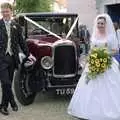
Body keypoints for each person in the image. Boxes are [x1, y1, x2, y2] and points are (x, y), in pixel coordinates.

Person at [67, 13, 120, 120]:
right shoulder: (94, 35)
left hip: (107, 64)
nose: (100, 25)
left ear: (106, 24)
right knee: (89, 85)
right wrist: (88, 60)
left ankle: (109, 110)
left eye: (102, 23)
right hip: (93, 62)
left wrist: (103, 55)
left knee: (109, 87)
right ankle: (89, 110)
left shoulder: (110, 36)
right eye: (99, 23)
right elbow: (91, 50)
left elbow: (115, 50)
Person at [0, 2, 30, 115]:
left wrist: (28, 54)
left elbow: (21, 42)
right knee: (6, 82)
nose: (5, 13)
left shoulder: (16, 26)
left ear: (11, 12)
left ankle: (3, 106)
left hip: (12, 59)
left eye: (7, 11)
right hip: (1, 58)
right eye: (3, 12)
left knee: (7, 83)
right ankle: (12, 101)